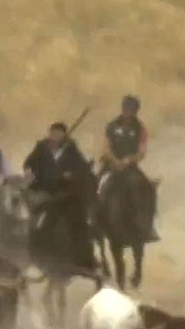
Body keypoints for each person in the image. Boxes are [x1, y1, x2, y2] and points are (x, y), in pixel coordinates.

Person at [23, 121, 96, 270]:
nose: (55, 136)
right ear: (49, 134)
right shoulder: (41, 148)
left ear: (64, 135)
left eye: (58, 133)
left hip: (66, 195)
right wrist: (32, 173)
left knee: (79, 223)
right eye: (53, 133)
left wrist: (72, 175)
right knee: (39, 223)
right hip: (45, 193)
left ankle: (84, 259)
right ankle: (39, 256)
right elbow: (28, 164)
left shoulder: (71, 150)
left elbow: (83, 169)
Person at [99, 95, 159, 242]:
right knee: (97, 187)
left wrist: (128, 160)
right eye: (126, 109)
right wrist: (115, 161)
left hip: (131, 167)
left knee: (149, 189)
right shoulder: (111, 126)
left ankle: (149, 226)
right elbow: (106, 147)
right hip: (111, 166)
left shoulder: (140, 128)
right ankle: (95, 224)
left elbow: (142, 151)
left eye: (132, 110)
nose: (129, 113)